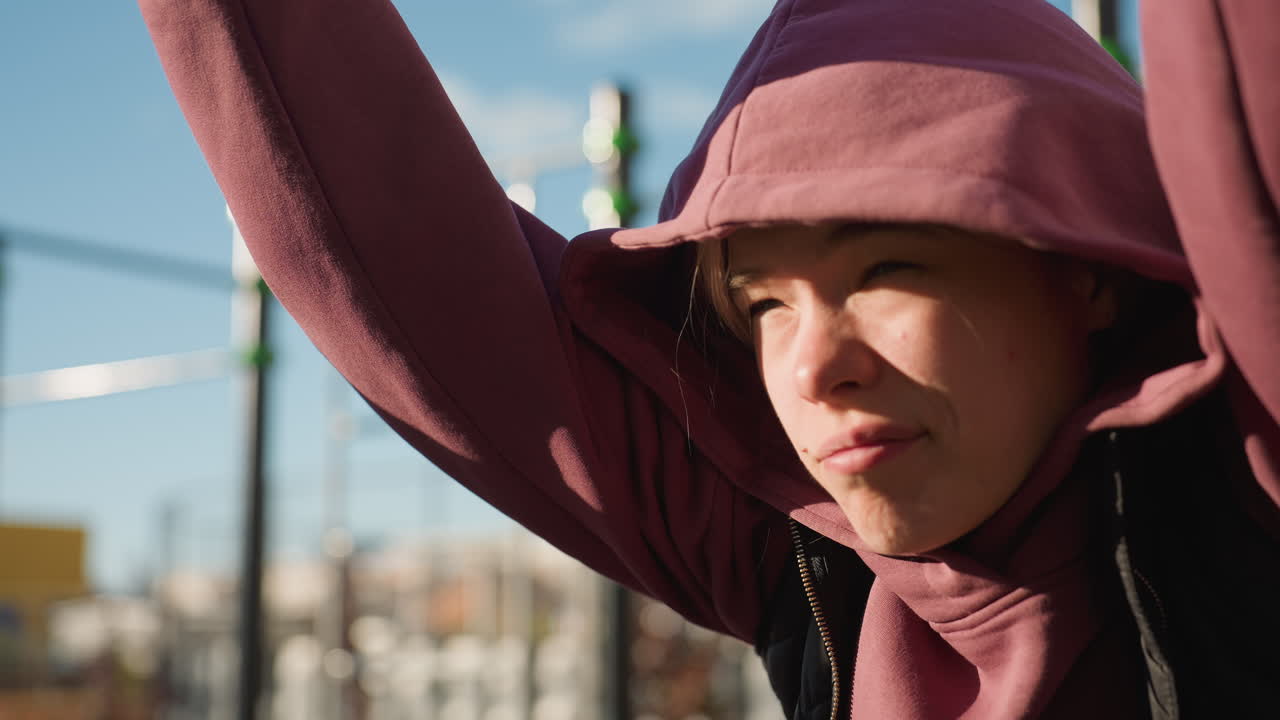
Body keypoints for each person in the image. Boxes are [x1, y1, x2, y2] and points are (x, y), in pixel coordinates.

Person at [140, 0, 1279, 717]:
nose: (812, 369)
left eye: (887, 269)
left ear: (1081, 266)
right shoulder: (787, 546)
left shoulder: (1239, 492)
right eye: (762, 304)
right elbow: (387, 237)